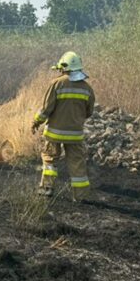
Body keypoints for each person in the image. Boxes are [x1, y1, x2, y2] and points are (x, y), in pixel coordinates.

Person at [31, 51, 95, 198]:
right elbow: (89, 112)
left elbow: (46, 109)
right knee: (77, 163)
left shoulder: (57, 84)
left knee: (49, 158)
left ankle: (46, 189)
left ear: (64, 67)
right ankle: (80, 196)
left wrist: (36, 122)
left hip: (55, 133)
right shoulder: (87, 88)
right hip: (76, 135)